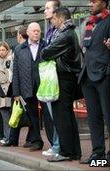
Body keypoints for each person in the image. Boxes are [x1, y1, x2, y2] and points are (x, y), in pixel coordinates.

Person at [41, 7, 82, 162]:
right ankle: (73, 151)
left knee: (62, 117)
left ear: (59, 18)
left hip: (64, 79)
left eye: (53, 18)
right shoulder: (69, 33)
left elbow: (45, 53)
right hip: (67, 78)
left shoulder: (65, 34)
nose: (52, 21)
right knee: (67, 116)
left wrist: (46, 51)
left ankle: (65, 151)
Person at [78, 0, 110, 164]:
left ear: (104, 3)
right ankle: (98, 154)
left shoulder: (108, 21)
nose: (90, 4)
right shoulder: (88, 23)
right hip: (88, 76)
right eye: (89, 1)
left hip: (104, 75)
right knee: (93, 117)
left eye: (94, 1)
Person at [12, 22, 46, 152]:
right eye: (34, 31)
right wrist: (16, 92)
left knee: (47, 115)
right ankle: (37, 141)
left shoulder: (46, 45)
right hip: (27, 87)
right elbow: (16, 72)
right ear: (28, 33)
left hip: (44, 87)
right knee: (32, 116)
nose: (37, 33)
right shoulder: (19, 49)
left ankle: (54, 142)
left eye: (38, 31)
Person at [41, 0, 62, 158]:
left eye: (47, 8)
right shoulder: (49, 30)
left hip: (58, 76)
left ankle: (59, 146)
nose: (44, 11)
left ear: (56, 11)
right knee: (52, 113)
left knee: (58, 114)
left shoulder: (60, 31)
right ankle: (56, 145)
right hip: (49, 77)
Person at [0, 42, 14, 146]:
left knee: (11, 116)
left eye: (3, 50)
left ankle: (9, 137)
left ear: (7, 50)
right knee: (5, 116)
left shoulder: (10, 61)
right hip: (0, 91)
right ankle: (7, 137)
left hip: (9, 90)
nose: (1, 52)